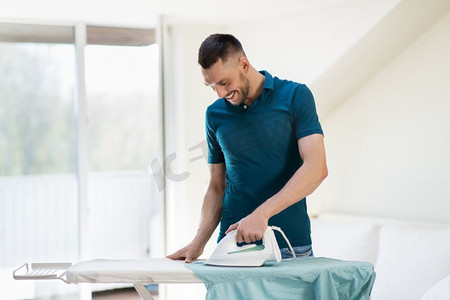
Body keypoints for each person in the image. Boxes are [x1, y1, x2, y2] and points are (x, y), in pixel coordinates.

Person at [168, 33, 327, 262]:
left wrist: (261, 215)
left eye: (224, 82)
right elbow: (216, 186)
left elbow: (317, 168)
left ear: (243, 64)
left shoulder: (295, 96)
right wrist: (199, 242)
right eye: (211, 86)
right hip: (230, 248)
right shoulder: (214, 114)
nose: (220, 93)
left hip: (289, 248)